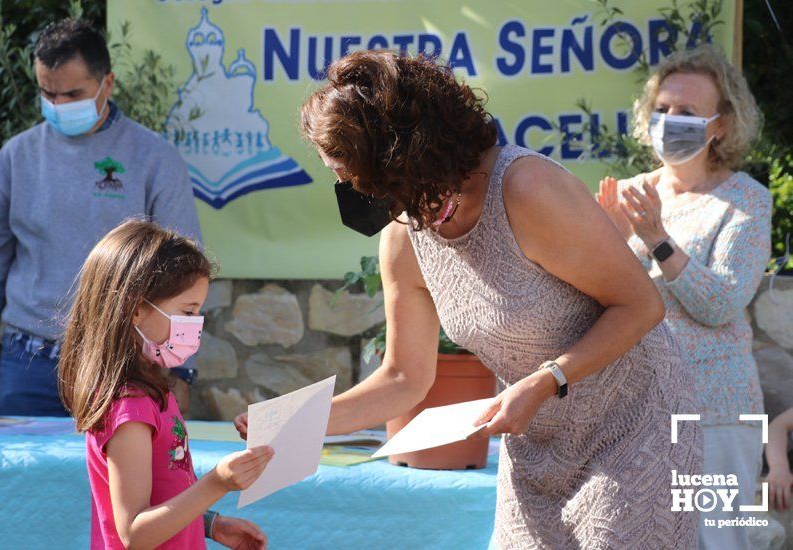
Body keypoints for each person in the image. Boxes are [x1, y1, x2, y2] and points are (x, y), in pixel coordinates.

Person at [237, 50, 702, 548]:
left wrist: (548, 381)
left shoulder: (526, 187)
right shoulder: (401, 236)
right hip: (537, 442)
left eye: (348, 172)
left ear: (395, 156)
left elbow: (641, 305)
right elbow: (403, 378)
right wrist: (292, 426)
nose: (344, 187)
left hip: (636, 431)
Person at [0, 19, 202, 416]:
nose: (58, 105)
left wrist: (181, 371)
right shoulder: (14, 159)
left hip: (120, 365)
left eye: (73, 93)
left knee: (115, 481)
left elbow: (184, 273)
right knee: (21, 481)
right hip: (26, 364)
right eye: (47, 93)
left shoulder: (155, 159)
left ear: (108, 84)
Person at [596, 44, 771, 549]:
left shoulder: (745, 199)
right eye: (663, 110)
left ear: (719, 125)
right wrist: (603, 242)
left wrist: (657, 239)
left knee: (716, 541)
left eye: (688, 113)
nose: (670, 121)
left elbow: (720, 304)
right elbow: (599, 300)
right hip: (635, 411)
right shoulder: (629, 192)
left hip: (715, 413)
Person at [58, 219, 271, 549]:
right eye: (187, 311)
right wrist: (218, 482)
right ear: (136, 310)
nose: (194, 326)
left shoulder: (153, 390)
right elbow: (134, 533)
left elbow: (163, 492)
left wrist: (210, 524)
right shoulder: (129, 407)